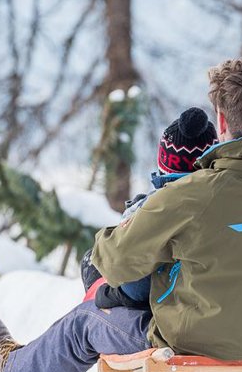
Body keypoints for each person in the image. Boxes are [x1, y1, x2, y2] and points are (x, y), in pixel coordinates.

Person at [0, 58, 242, 372]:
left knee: (84, 322)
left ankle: (17, 371)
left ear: (221, 119)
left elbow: (113, 260)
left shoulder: (192, 193)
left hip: (188, 345)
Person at [78, 106, 221, 310]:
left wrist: (109, 295)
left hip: (157, 307)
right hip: (209, 304)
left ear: (164, 162)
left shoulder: (161, 205)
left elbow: (130, 277)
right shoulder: (225, 198)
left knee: (91, 268)